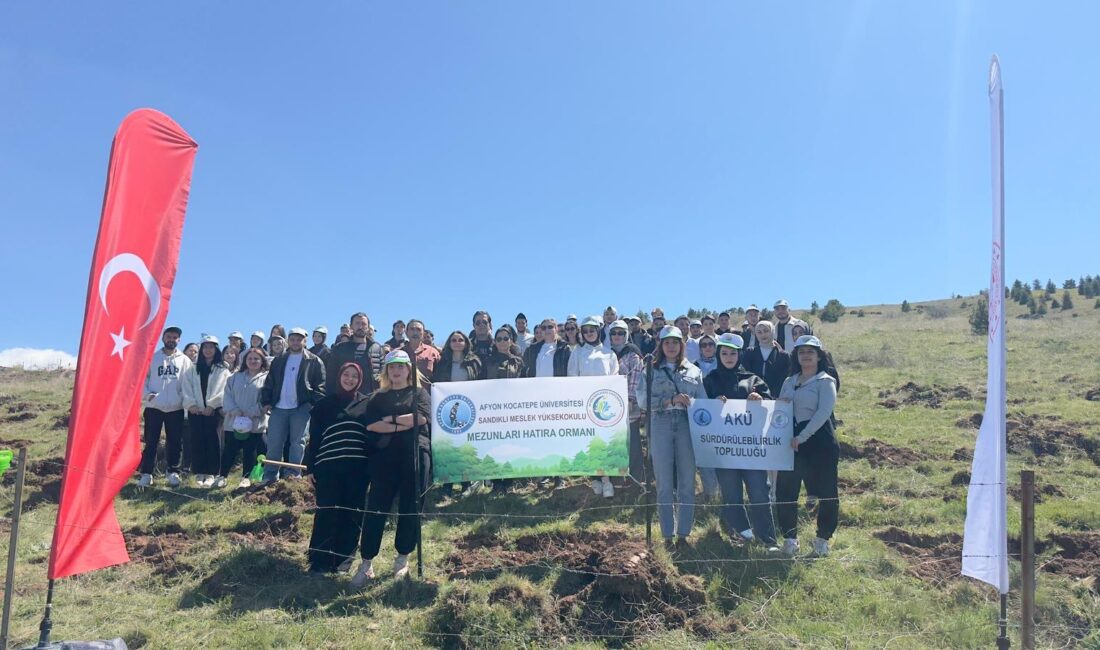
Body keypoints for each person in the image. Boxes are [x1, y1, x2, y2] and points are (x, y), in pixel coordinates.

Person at [351, 350, 431, 585]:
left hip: (415, 454)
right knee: (376, 508)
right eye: (392, 367)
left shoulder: (419, 393)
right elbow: (374, 426)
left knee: (411, 506)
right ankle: (366, 563)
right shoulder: (377, 397)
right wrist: (402, 423)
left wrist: (391, 421)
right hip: (384, 458)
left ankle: (402, 559)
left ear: (409, 370)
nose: (397, 371)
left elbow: (421, 419)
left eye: (401, 366)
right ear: (386, 371)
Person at [702, 334, 779, 552]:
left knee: (759, 493)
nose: (728, 357)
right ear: (718, 354)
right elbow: (701, 413)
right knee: (731, 494)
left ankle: (768, 540)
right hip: (724, 451)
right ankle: (742, 534)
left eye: (733, 353)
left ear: (740, 354)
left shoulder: (753, 380)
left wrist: (760, 400)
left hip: (751, 450)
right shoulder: (710, 380)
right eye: (724, 353)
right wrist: (712, 404)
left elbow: (771, 405)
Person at [636, 326, 706, 548]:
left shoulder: (694, 371)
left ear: (682, 345)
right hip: (661, 423)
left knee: (687, 481)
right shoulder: (649, 370)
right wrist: (669, 400)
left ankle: (683, 534)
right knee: (664, 482)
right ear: (661, 345)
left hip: (687, 425)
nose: (671, 346)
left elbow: (702, 401)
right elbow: (642, 400)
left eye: (675, 342)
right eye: (667, 342)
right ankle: (667, 534)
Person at [776, 335, 839, 558]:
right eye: (801, 352)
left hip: (820, 442)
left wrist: (802, 437)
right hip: (791, 442)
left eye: (810, 352)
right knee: (785, 491)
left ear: (819, 356)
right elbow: (781, 410)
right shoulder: (788, 381)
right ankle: (790, 539)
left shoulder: (826, 381)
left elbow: (823, 414)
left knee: (827, 492)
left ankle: (822, 539)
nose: (806, 356)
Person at [304, 362, 370, 574]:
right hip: (328, 466)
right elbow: (314, 438)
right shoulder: (324, 405)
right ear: (339, 376)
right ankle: (319, 562)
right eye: (346, 374)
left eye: (354, 376)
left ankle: (342, 563)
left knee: (352, 514)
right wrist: (309, 467)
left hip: (358, 469)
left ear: (360, 380)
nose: (349, 379)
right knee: (326, 512)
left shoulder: (368, 404)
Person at [260, 328, 326, 482]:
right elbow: (270, 382)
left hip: (301, 408)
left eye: (299, 339)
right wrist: (266, 401)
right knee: (274, 442)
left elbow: (321, 386)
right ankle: (269, 476)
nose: (296, 342)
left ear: (305, 341)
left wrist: (311, 403)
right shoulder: (279, 360)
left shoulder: (314, 360)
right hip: (278, 408)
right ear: (288, 341)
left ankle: (293, 475)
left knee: (298, 442)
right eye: (293, 339)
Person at [568, 316, 620, 497]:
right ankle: (595, 479)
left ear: (599, 331)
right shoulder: (577, 352)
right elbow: (572, 376)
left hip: (604, 406)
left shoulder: (609, 353)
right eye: (586, 331)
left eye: (592, 330)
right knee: (590, 443)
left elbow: (615, 378)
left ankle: (607, 481)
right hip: (584, 404)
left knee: (604, 443)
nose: (589, 334)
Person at [138, 326, 192, 488]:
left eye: (175, 337)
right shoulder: (152, 358)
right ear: (163, 337)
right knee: (151, 441)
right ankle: (147, 473)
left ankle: (172, 472)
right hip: (154, 407)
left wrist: (184, 400)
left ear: (179, 340)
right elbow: (142, 379)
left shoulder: (184, 360)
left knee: (174, 441)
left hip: (175, 407)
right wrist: (148, 395)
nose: (171, 340)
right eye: (169, 336)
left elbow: (188, 383)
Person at [216, 347, 269, 488]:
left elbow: (266, 399)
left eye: (256, 359)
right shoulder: (234, 377)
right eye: (250, 358)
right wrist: (235, 411)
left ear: (262, 361)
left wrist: (253, 411)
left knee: (250, 451)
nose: (253, 361)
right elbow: (227, 396)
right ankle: (222, 476)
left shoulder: (267, 378)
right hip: (233, 421)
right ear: (245, 360)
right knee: (229, 450)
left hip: (255, 422)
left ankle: (246, 477)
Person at [181, 335, 230, 487]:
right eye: (205, 347)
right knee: (197, 440)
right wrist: (191, 405)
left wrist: (212, 405)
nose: (208, 350)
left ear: (216, 349)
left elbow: (222, 388)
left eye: (211, 347)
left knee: (213, 441)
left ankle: (212, 473)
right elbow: (186, 388)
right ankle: (199, 472)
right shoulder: (192, 368)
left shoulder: (222, 368)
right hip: (195, 411)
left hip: (212, 412)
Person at [608, 320, 645, 486]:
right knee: (615, 443)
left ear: (626, 335)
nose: (617, 336)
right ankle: (618, 478)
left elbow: (636, 377)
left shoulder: (633, 353)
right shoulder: (606, 353)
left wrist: (630, 399)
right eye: (614, 333)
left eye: (621, 333)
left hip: (629, 406)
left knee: (633, 444)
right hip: (609, 407)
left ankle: (636, 478)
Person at [692, 333, 721, 502]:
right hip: (700, 416)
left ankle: (724, 493)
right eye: (704, 345)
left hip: (722, 415)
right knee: (704, 454)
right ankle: (710, 492)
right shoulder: (693, 367)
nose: (708, 347)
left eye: (711, 344)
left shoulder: (724, 364)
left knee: (721, 453)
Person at [327, 312, 384, 395]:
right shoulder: (340, 349)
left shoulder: (377, 348)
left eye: (363, 324)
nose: (360, 327)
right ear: (351, 327)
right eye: (357, 323)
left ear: (368, 327)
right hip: (346, 400)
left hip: (371, 400)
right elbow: (331, 378)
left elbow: (383, 376)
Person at [743, 321, 790, 398]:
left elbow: (786, 379)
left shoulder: (783, 355)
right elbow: (745, 375)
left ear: (772, 331)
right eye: (759, 332)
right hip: (753, 397)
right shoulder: (750, 352)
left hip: (776, 398)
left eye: (766, 331)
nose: (763, 335)